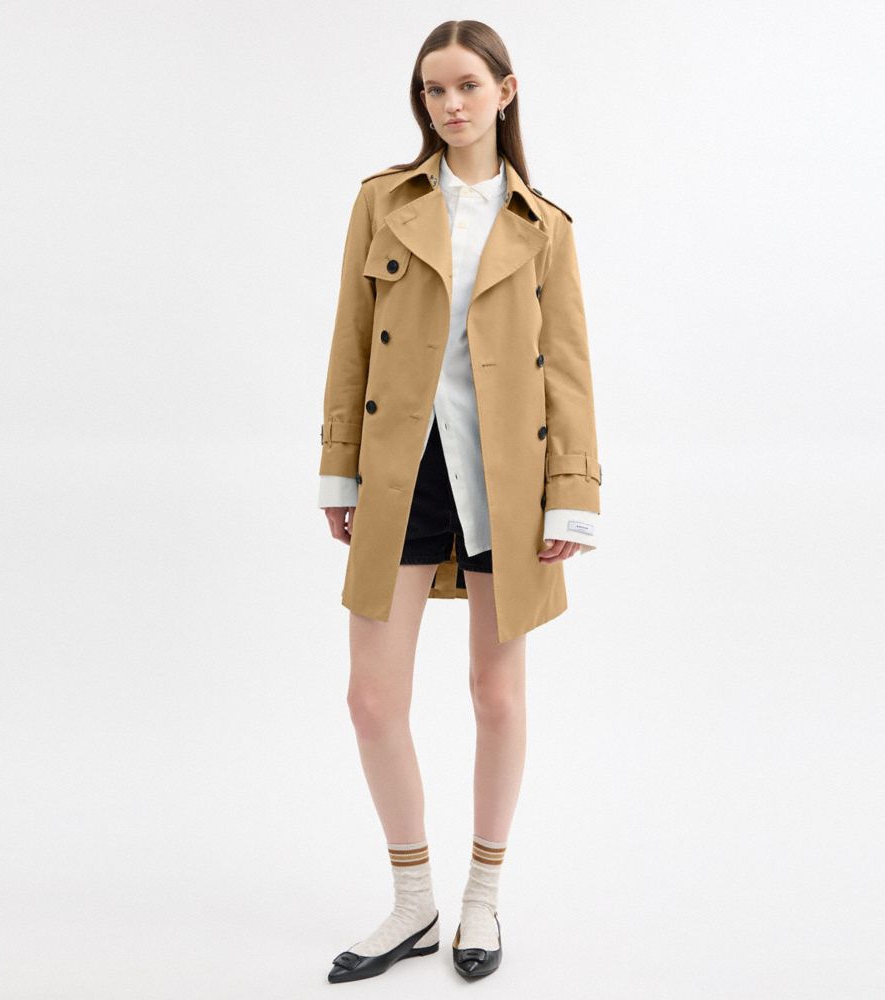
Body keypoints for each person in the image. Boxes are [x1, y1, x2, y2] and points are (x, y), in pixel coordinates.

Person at [318, 19, 601, 983]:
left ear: (505, 92)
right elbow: (350, 342)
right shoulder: (382, 202)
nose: (449, 104)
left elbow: (569, 371)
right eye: (433, 89)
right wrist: (339, 470)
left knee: (496, 694)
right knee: (370, 700)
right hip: (401, 470)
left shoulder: (545, 226)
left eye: (467, 86)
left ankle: (483, 896)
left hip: (506, 482)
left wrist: (572, 495)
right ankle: (413, 902)